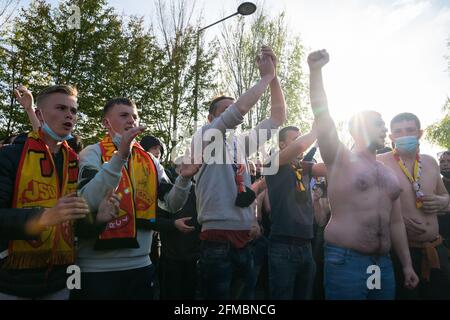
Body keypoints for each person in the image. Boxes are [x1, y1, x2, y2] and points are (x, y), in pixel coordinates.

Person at [308, 49, 418, 300]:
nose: (384, 128)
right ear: (359, 128)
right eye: (378, 123)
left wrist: (407, 265)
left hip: (381, 264)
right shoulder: (340, 158)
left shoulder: (388, 173)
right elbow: (322, 117)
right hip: (345, 260)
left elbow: (396, 222)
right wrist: (316, 72)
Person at [74, 97, 199, 300]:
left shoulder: (150, 160)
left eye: (135, 116)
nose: (131, 120)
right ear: (106, 123)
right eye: (124, 115)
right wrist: (120, 156)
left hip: (141, 263)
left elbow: (171, 204)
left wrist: (184, 180)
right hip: (95, 268)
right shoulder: (92, 153)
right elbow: (87, 201)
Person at [191, 46, 286, 300]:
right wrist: (264, 78)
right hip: (216, 243)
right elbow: (239, 112)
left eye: (234, 109)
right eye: (225, 110)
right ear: (211, 116)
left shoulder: (239, 144)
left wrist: (274, 77)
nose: (236, 114)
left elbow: (278, 117)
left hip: (246, 239)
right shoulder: (204, 137)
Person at [0, 85, 90, 299]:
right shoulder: (9, 157)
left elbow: (81, 226)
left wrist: (101, 217)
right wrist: (44, 217)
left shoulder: (78, 163)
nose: (69, 114)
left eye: (74, 110)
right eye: (60, 108)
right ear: (39, 114)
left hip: (62, 280)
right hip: (12, 284)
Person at [378, 113, 450, 299]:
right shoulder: (380, 162)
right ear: (391, 137)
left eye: (410, 130)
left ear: (420, 133)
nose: (404, 135)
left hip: (435, 248)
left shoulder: (430, 162)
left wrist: (444, 201)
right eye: (398, 132)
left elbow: (444, 194)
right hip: (401, 252)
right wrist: (396, 219)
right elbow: (368, 207)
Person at [265, 125, 326, 300]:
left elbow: (329, 167)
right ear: (282, 145)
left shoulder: (304, 167)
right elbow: (300, 147)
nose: (300, 142)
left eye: (301, 137)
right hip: (282, 246)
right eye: (295, 138)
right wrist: (315, 131)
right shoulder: (273, 163)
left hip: (307, 245)